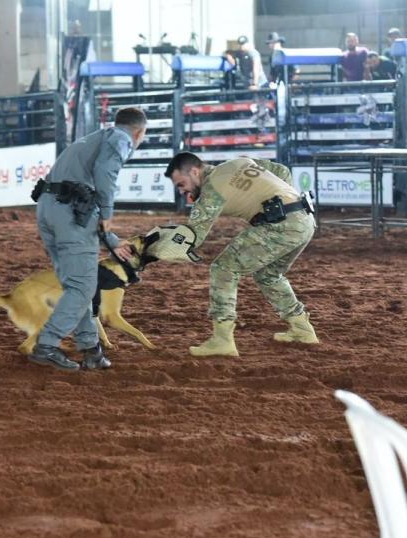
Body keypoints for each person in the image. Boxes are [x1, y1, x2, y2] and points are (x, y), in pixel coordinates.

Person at [164, 152, 318, 357]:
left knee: (223, 269)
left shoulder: (211, 190)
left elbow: (193, 236)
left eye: (181, 184)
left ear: (194, 171)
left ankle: (222, 340)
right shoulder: (239, 162)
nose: (182, 191)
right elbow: (282, 170)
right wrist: (283, 198)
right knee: (268, 275)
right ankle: (302, 329)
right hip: (305, 219)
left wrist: (152, 246)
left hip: (281, 226)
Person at [28, 107, 147, 370]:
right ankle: (47, 345)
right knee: (82, 287)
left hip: (49, 209)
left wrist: (111, 239)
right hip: (70, 213)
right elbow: (105, 172)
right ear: (139, 133)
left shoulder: (93, 138)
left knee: (77, 286)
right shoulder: (121, 138)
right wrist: (108, 213)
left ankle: (91, 349)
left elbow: (80, 196)